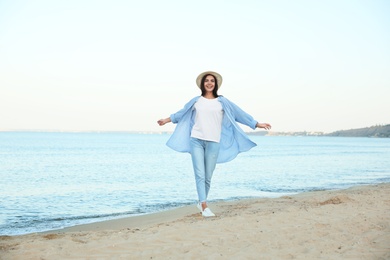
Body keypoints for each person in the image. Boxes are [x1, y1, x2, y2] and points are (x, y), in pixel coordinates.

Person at [157, 71, 271, 217]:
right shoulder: (196, 101)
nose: (209, 83)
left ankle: (201, 201)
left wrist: (256, 124)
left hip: (214, 142)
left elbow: (239, 114)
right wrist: (166, 120)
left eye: (212, 81)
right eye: (206, 81)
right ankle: (204, 206)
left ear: (215, 84)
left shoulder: (223, 102)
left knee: (208, 176)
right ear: (202, 84)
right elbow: (181, 113)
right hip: (196, 140)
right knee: (199, 173)